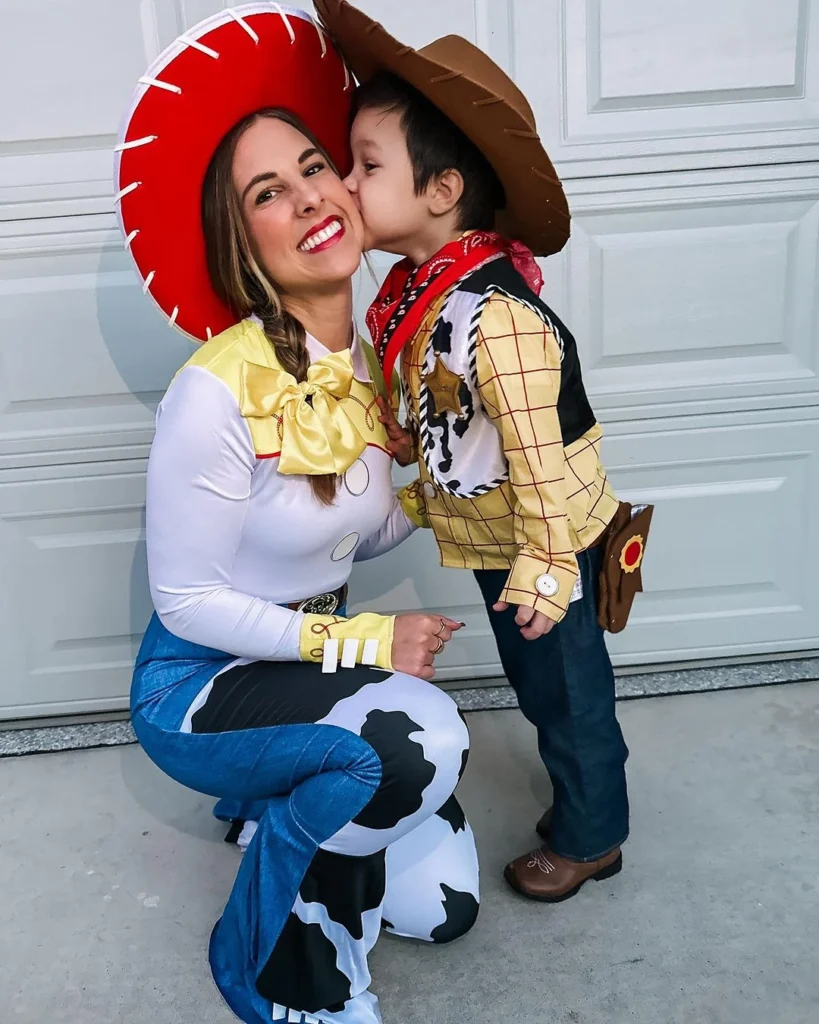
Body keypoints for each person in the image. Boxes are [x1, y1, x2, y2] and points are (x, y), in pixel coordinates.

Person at [115, 7, 479, 1024]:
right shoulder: (214, 391)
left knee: (444, 906)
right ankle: (265, 957)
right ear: (246, 237)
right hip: (200, 683)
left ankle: (285, 804)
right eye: (268, 192)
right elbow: (187, 599)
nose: (311, 196)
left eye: (317, 166)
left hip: (299, 661)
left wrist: (466, 480)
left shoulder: (371, 356)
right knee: (410, 750)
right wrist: (367, 636)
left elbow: (358, 529)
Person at [316, 0, 652, 904]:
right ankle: (586, 814)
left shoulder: (495, 316)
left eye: (366, 165)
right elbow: (444, 416)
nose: (345, 184)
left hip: (545, 540)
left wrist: (547, 568)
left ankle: (592, 837)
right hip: (500, 536)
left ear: (442, 189)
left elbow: (536, 455)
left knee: (566, 691)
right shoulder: (424, 293)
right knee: (541, 682)